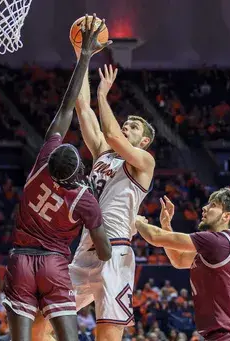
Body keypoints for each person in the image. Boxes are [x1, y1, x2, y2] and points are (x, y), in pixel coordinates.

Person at [2, 13, 112, 341]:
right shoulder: (85, 199)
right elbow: (104, 251)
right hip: (53, 265)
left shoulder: (41, 164)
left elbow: (65, 109)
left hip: (20, 262)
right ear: (79, 170)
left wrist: (83, 57)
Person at [66, 62, 155, 341]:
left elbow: (113, 135)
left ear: (144, 142)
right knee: (45, 313)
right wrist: (84, 57)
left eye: (134, 127)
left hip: (116, 249)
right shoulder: (102, 154)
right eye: (126, 124)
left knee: (106, 334)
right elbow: (82, 107)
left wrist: (103, 96)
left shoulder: (144, 162)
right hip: (84, 248)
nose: (127, 127)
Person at [135, 189, 230, 341]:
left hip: (229, 336)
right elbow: (178, 260)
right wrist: (166, 225)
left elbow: (155, 237)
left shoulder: (217, 241)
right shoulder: (227, 244)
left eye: (213, 205)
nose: (205, 208)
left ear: (226, 216)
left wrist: (134, 219)